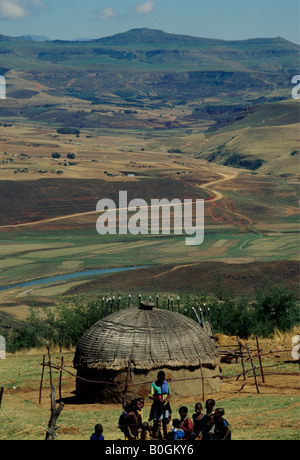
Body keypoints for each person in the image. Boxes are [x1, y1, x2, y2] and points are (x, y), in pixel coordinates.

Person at [149, 371, 172, 440]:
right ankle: (154, 437)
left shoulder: (166, 383)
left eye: (163, 378)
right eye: (161, 378)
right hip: (157, 405)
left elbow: (169, 394)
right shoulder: (154, 384)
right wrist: (157, 399)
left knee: (165, 422)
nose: (162, 380)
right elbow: (150, 396)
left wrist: (165, 399)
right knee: (156, 422)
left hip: (165, 405)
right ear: (158, 377)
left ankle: (164, 438)